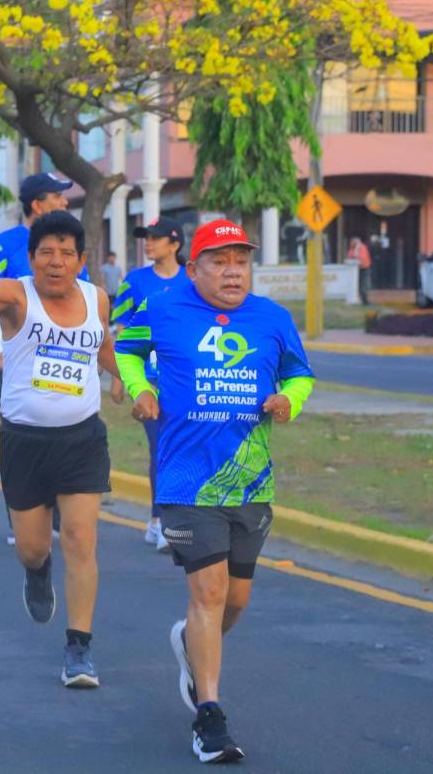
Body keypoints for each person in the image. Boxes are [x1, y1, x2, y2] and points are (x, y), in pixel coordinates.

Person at [115, 219, 314, 764]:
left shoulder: (272, 318)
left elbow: (300, 373)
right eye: (220, 262)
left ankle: (189, 642)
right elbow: (126, 349)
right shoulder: (162, 307)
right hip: (184, 478)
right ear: (194, 267)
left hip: (250, 479)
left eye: (241, 261)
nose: (233, 272)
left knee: (234, 601)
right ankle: (210, 717)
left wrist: (289, 401)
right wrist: (140, 388)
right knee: (208, 593)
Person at [0, 209, 120, 689]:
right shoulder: (16, 295)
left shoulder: (97, 298)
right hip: (25, 443)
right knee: (33, 548)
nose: (56, 262)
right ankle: (37, 572)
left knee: (80, 539)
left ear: (81, 259)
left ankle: (79, 649)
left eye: (66, 254)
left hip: (82, 440)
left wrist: (121, 379)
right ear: (31, 259)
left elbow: (101, 343)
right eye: (46, 253)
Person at [0, 172, 87, 545]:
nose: (65, 202)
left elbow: (83, 299)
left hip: (62, 358)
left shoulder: (68, 246)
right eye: (58, 197)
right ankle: (20, 521)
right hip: (14, 361)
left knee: (62, 434)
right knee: (22, 439)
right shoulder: (5, 244)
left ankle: (55, 520)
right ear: (38, 205)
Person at [110, 217, 190, 554]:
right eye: (146, 237)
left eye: (156, 238)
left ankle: (170, 519)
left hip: (187, 380)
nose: (149, 243)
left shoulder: (193, 279)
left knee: (184, 448)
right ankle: (161, 522)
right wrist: (117, 376)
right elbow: (121, 332)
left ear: (175, 244)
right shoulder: (135, 281)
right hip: (149, 381)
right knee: (162, 448)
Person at [346, 235, 372, 305]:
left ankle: (365, 300)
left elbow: (361, 257)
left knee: (363, 285)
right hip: (357, 269)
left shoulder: (362, 247)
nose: (351, 244)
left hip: (364, 268)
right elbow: (349, 255)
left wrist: (356, 251)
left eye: (352, 242)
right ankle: (360, 299)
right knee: (358, 285)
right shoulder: (352, 248)